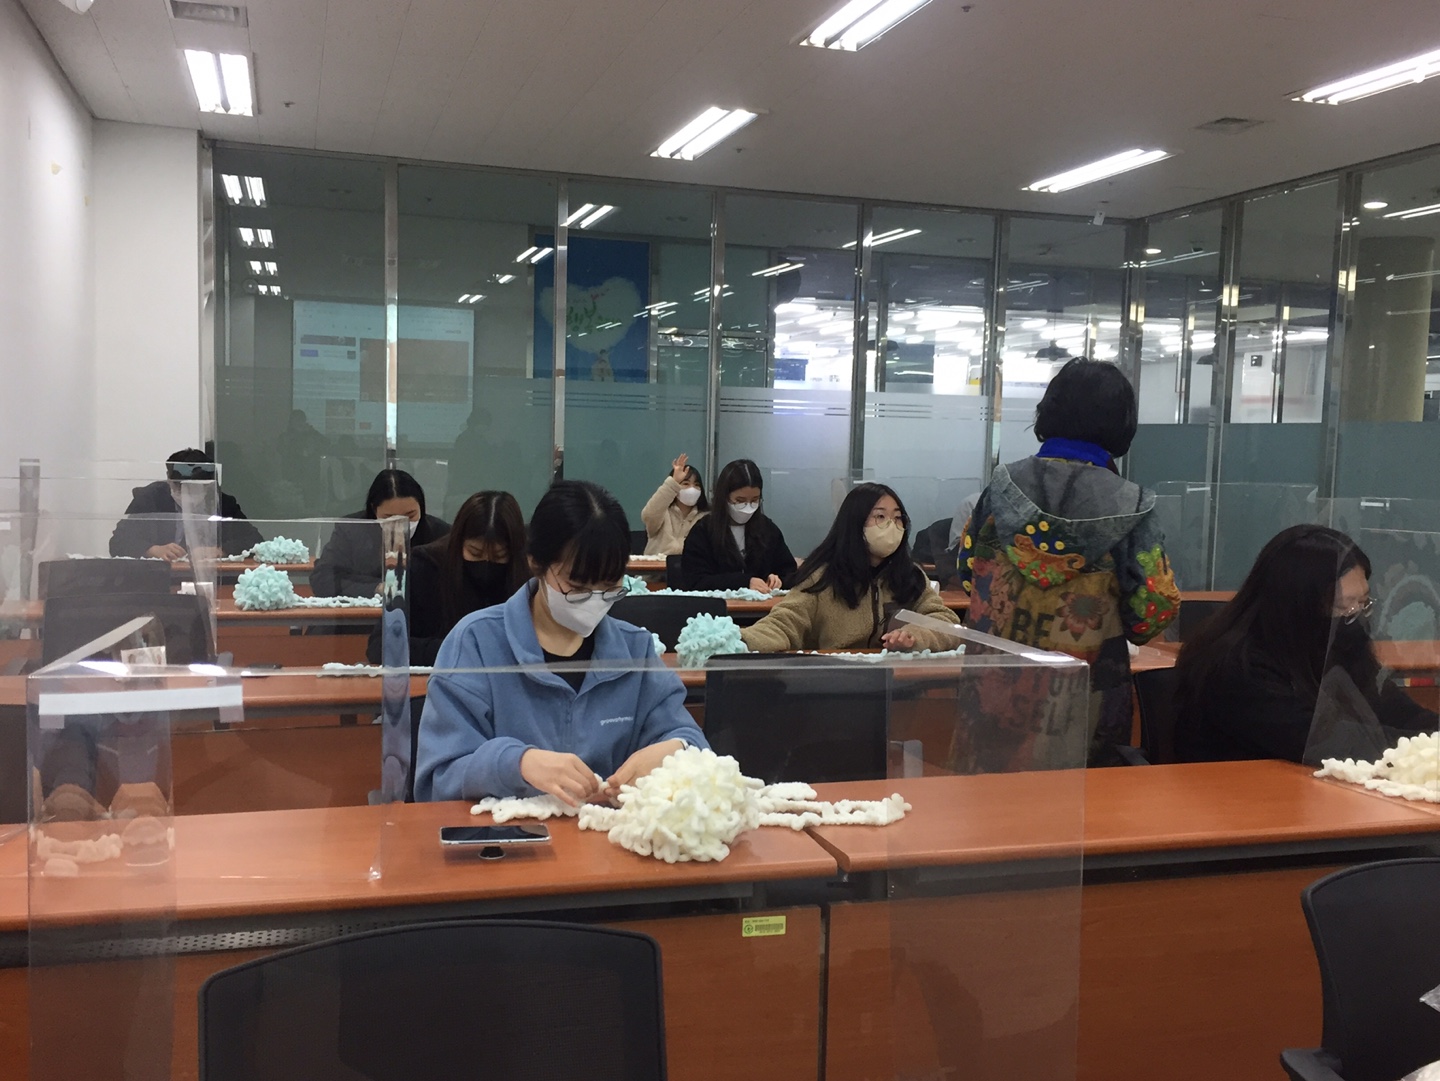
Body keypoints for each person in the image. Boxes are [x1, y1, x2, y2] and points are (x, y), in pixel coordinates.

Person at [414, 480, 708, 804]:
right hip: (505, 835)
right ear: (535, 562)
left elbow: (692, 741)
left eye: (610, 586)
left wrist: (677, 749)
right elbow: (437, 779)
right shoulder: (476, 643)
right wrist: (516, 764)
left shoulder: (633, 650)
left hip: (607, 834)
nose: (594, 600)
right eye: (577, 587)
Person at [957, 358, 1180, 765]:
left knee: (987, 797)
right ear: (1122, 422)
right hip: (1086, 703)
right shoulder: (1132, 506)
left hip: (992, 693)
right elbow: (1154, 609)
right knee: (1078, 799)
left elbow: (969, 571)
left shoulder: (1001, 489)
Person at [1174, 525, 1435, 764]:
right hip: (1243, 794)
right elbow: (1329, 743)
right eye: (1341, 606)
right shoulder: (1237, 667)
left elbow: (1400, 712)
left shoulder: (1340, 648)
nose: (1354, 617)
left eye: (1363, 603)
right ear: (1299, 606)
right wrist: (1425, 748)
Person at [740, 483, 962, 653]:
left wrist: (914, 636)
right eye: (880, 516)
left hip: (900, 685)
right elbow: (784, 623)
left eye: (897, 518)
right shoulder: (823, 577)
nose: (892, 526)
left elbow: (946, 621)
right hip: (840, 684)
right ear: (855, 522)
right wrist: (740, 640)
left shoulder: (910, 575)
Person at [373, 491, 529, 666]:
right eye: (475, 553)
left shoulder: (527, 576)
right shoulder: (419, 565)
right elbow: (379, 645)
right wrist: (462, 649)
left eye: (499, 556)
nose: (486, 563)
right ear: (458, 541)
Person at [312, 469, 449, 597]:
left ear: (421, 507)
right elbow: (323, 578)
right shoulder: (351, 530)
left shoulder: (442, 534)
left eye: (410, 515)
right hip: (366, 611)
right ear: (374, 510)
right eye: (389, 517)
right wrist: (377, 587)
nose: (400, 525)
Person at [109, 448, 262, 560]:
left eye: (195, 489)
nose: (188, 495)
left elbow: (255, 540)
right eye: (180, 488)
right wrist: (153, 550)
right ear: (169, 479)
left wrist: (219, 550)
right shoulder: (149, 498)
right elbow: (118, 542)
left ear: (209, 485)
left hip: (211, 576)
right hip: (160, 577)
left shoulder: (223, 503)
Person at [681, 459, 796, 591]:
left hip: (765, 603)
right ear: (724, 498)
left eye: (754, 500)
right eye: (740, 501)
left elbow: (789, 572)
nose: (748, 507)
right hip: (719, 603)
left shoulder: (768, 530)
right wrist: (743, 582)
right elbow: (696, 581)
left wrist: (778, 580)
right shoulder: (703, 531)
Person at [640, 452, 708, 556]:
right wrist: (673, 482)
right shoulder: (661, 513)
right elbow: (648, 515)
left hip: (689, 566)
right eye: (686, 484)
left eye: (696, 484)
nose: (692, 489)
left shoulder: (706, 518)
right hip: (657, 566)